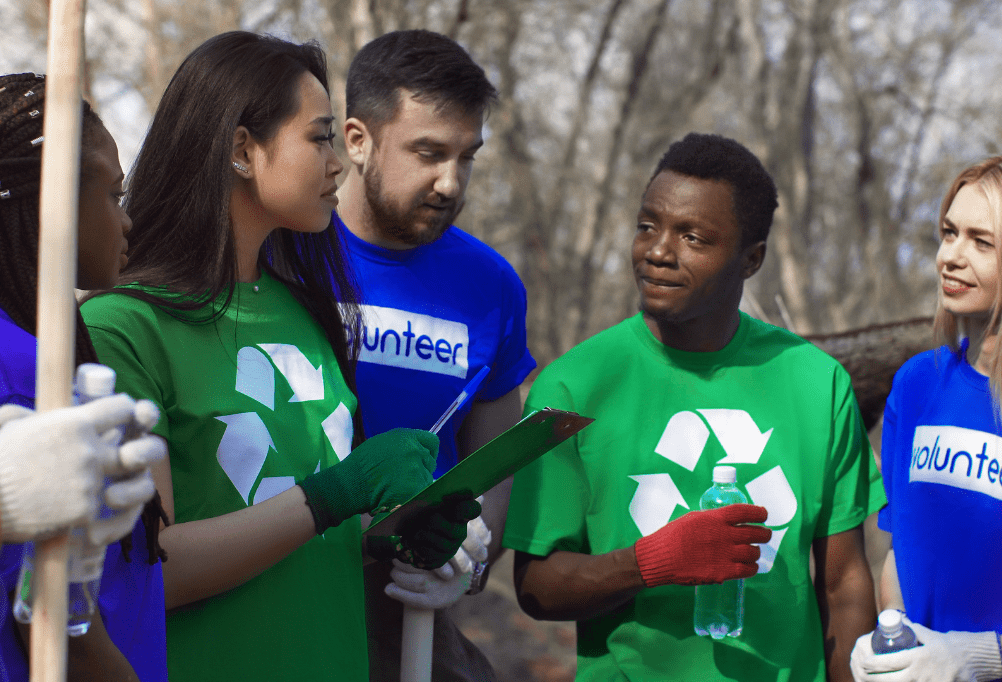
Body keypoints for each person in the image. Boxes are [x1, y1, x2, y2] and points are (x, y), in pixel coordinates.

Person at [79, 32, 477, 682]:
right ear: (242, 149)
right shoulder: (123, 327)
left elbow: (317, 536)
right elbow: (144, 573)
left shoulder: (306, 309)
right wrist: (337, 492)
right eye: (318, 137)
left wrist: (395, 532)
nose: (337, 162)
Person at [503, 132, 884, 681]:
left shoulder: (816, 382)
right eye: (647, 226)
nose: (658, 251)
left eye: (694, 237)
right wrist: (651, 563)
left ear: (751, 259)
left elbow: (844, 582)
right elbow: (537, 587)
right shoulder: (573, 387)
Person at [333, 29, 536, 681]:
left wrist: (473, 553)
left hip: (409, 621)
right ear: (358, 139)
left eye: (466, 157)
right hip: (277, 593)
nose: (450, 182)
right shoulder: (287, 253)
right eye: (428, 153)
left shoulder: (492, 286)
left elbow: (495, 462)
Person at [0, 72, 168, 680]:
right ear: (52, 204)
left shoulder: (43, 348)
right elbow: (52, 621)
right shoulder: (25, 371)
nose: (126, 223)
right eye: (113, 196)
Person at [851, 153, 1002, 681]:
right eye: (948, 233)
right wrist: (894, 639)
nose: (951, 255)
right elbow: (901, 551)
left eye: (981, 241)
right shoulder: (917, 384)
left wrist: (977, 658)